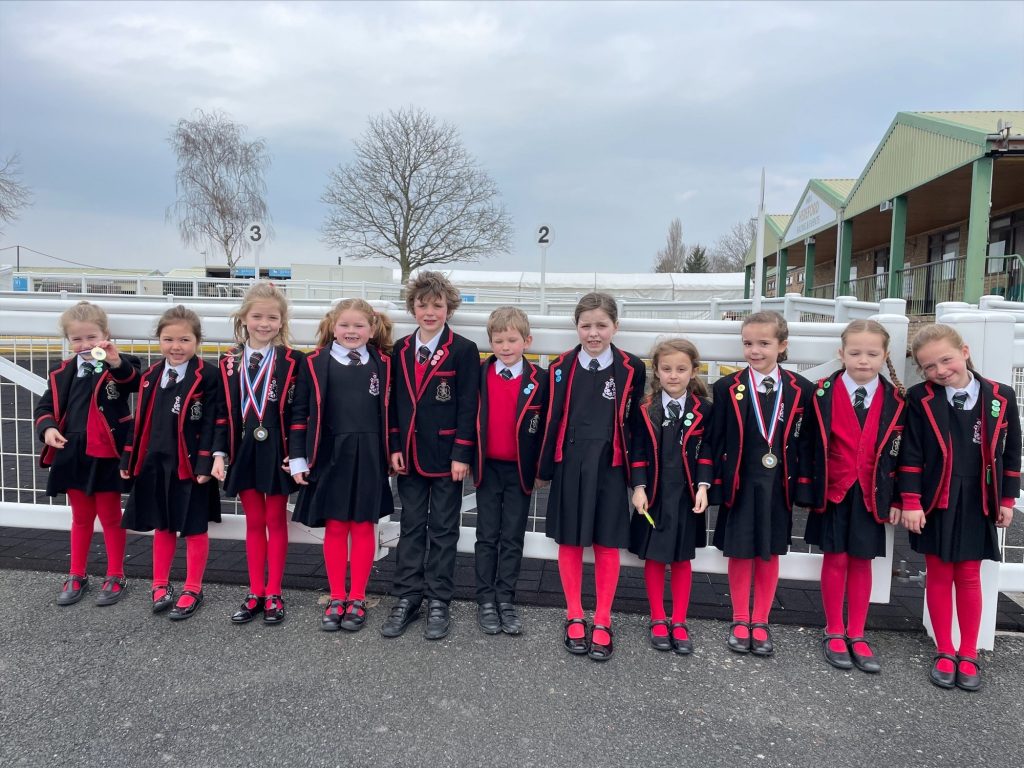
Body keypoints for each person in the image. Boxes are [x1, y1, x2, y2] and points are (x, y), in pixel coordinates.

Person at [899, 323, 1020, 691]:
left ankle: (968, 652)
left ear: (964, 351)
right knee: (938, 574)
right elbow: (912, 453)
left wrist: (1007, 499)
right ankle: (945, 649)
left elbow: (1012, 450)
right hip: (937, 497)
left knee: (968, 576)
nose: (939, 371)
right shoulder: (920, 398)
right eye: (929, 366)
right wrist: (911, 501)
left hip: (978, 498)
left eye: (946, 360)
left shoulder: (1001, 395)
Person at [537, 292, 646, 661]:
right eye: (586, 325)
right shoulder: (560, 366)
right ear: (576, 326)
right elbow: (552, 418)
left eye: (601, 325)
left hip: (611, 465)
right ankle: (573, 614)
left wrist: (640, 478)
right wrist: (544, 469)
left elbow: (635, 425)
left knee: (605, 543)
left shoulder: (632, 367)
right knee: (569, 541)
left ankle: (602, 618)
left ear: (616, 326)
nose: (594, 333)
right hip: (571, 461)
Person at [381, 272, 480, 640]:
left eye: (437, 305)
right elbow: (393, 403)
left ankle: (439, 599)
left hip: (446, 457)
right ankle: (407, 596)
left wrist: (462, 453)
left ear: (448, 309)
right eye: (422, 305)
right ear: (413, 308)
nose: (429, 311)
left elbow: (469, 405)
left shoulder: (463, 350)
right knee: (410, 527)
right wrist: (393, 445)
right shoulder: (402, 349)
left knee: (442, 528)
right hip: (408, 453)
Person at [709, 311, 814, 657]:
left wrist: (802, 485)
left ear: (782, 346)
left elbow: (806, 443)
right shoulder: (727, 388)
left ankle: (761, 619)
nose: (755, 351)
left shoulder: (801, 390)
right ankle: (740, 618)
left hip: (777, 485)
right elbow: (715, 439)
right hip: (740, 482)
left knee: (768, 553)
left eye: (764, 343)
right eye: (748, 343)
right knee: (740, 551)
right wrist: (712, 482)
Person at [802, 319, 905, 673]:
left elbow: (905, 454)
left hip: (872, 492)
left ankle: (857, 632)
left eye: (873, 354)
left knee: (862, 561)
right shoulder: (819, 393)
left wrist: (899, 498)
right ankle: (833, 629)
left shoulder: (898, 400)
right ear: (841, 353)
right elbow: (806, 445)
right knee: (836, 559)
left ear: (885, 355)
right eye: (856, 352)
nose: (864, 360)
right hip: (833, 490)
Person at [289, 299, 394, 633]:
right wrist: (297, 457)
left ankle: (358, 597)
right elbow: (300, 413)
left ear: (372, 328)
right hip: (330, 452)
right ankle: (337, 596)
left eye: (359, 325)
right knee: (335, 526)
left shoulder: (383, 363)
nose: (352, 331)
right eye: (345, 325)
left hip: (370, 453)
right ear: (333, 326)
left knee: (364, 526)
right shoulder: (314, 362)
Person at [120, 305, 224, 621]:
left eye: (184, 340)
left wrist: (207, 463)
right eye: (168, 340)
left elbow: (216, 420)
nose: (176, 347)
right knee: (162, 525)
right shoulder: (151, 375)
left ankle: (193, 587)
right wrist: (130, 456)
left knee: (193, 528)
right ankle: (160, 583)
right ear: (159, 340)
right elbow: (140, 422)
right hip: (155, 462)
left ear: (197, 341)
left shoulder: (208, 374)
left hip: (190, 465)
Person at [35, 300, 141, 606]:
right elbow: (44, 407)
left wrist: (113, 360)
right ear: (68, 340)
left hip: (106, 451)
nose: (84, 344)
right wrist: (48, 428)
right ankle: (76, 573)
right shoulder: (62, 371)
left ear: (104, 334)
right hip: (72, 452)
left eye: (91, 337)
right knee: (80, 517)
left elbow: (132, 381)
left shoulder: (119, 364)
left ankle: (116, 574)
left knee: (110, 516)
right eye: (77, 339)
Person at [216, 282, 303, 626]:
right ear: (244, 318)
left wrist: (296, 453)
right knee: (254, 522)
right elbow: (221, 412)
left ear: (281, 322)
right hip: (243, 450)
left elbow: (300, 412)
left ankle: (275, 591)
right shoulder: (227, 361)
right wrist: (220, 452)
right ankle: (255, 591)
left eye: (272, 317)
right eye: (257, 316)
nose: (264, 323)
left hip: (277, 451)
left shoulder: (294, 361)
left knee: (275, 520)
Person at [628, 338, 712, 655]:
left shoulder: (705, 409)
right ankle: (658, 617)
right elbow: (636, 450)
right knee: (655, 555)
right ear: (657, 371)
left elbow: (709, 453)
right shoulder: (645, 408)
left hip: (687, 496)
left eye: (681, 369)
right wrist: (638, 487)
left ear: (693, 371)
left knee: (681, 558)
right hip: (655, 494)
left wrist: (703, 486)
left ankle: (679, 619)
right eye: (666, 369)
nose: (673, 375)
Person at [472, 306, 547, 636]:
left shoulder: (540, 380)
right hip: (487, 468)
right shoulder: (479, 374)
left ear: (526, 341)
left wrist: (542, 468)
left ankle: (506, 598)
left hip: (520, 470)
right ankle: (485, 598)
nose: (505, 346)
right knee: (487, 535)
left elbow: (547, 427)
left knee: (512, 536)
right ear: (490, 342)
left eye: (512, 340)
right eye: (498, 340)